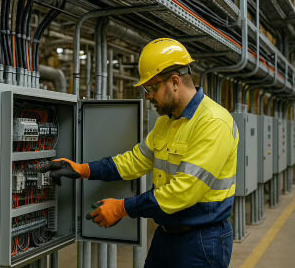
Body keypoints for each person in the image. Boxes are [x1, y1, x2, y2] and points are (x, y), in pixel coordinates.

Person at [41, 38, 238, 267]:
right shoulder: (167, 123)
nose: (148, 96)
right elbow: (135, 161)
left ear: (174, 82)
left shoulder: (213, 122)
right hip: (167, 234)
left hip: (202, 240)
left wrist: (122, 208)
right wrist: (83, 169)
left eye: (152, 87)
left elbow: (182, 192)